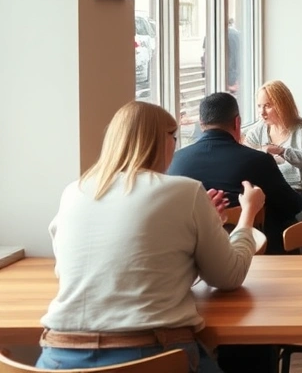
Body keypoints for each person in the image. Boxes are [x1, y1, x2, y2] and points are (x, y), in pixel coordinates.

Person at [37, 101, 265, 372]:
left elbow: (77, 269)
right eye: (174, 137)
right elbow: (229, 276)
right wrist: (248, 213)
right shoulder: (185, 192)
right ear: (162, 140)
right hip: (152, 355)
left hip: (59, 356)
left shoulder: (74, 192)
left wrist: (197, 227)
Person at [168, 92, 302, 255]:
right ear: (237, 122)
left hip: (194, 254)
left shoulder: (175, 160)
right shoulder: (259, 160)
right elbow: (291, 205)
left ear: (201, 123)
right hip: (256, 252)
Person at [237, 80, 302, 219]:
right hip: (267, 199)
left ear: (283, 105)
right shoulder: (256, 133)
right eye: (259, 106)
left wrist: (282, 151)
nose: (262, 112)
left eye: (267, 106)